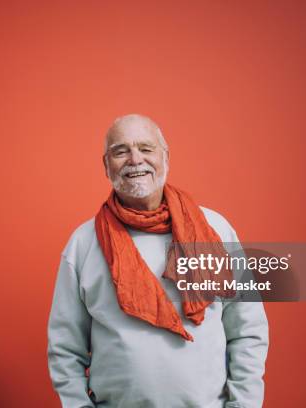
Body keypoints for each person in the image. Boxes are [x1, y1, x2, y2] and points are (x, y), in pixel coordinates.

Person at [47, 114, 268, 408]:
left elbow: (247, 330)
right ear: (106, 165)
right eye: (120, 150)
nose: (135, 159)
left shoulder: (215, 229)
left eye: (146, 148)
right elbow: (65, 349)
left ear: (166, 158)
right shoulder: (83, 243)